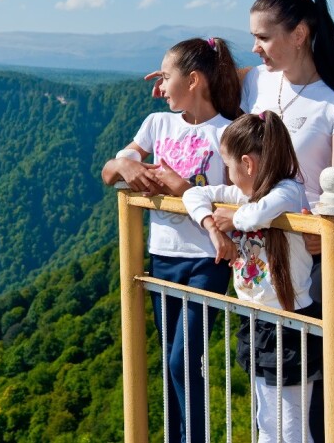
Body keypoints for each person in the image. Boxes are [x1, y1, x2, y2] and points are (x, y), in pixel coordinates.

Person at [238, 0, 334, 441]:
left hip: (315, 262)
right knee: (264, 386)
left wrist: (313, 228)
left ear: (299, 34)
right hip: (260, 258)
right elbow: (216, 76)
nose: (255, 48)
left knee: (304, 391)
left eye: (264, 37)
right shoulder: (258, 81)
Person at [102, 36, 243, 443]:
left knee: (185, 361)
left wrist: (184, 190)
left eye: (166, 77)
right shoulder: (156, 124)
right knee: (172, 361)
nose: (159, 87)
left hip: (206, 261)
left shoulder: (229, 133)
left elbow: (239, 202)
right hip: (162, 257)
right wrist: (123, 165)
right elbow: (109, 172)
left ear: (194, 80)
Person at [182, 111, 319, 443]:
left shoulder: (288, 191)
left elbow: (256, 215)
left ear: (247, 163)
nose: (227, 177)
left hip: (290, 323)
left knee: (291, 426)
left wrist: (232, 217)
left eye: (228, 166)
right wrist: (212, 227)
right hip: (256, 319)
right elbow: (193, 194)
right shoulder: (245, 195)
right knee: (267, 420)